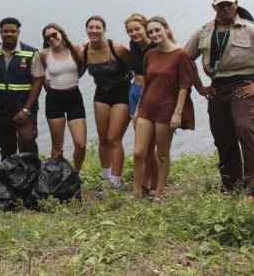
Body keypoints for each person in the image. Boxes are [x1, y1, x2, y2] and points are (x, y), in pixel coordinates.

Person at [185, 0, 254, 202]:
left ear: (236, 4)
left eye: (229, 4)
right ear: (214, 7)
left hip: (244, 85)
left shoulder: (251, 29)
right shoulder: (203, 32)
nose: (226, 8)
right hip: (217, 87)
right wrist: (199, 87)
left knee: (246, 129)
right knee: (223, 137)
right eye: (221, 5)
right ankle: (231, 186)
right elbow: (185, 59)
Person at [132, 17, 200, 203]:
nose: (154, 34)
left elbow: (184, 85)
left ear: (167, 29)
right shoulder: (150, 55)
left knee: (162, 154)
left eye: (157, 30)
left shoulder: (180, 54)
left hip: (166, 109)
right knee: (139, 152)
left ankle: (159, 193)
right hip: (146, 108)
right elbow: (146, 83)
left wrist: (177, 113)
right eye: (151, 32)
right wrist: (137, 109)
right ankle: (136, 191)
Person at [0, 17, 45, 160]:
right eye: (6, 31)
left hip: (24, 107)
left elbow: (38, 82)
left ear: (18, 32)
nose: (9, 34)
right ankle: (8, 170)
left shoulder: (31, 53)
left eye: (13, 31)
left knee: (27, 139)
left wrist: (26, 109)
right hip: (1, 107)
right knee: (5, 143)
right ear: (0, 33)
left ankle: (31, 170)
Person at [84, 15, 132, 189]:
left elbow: (137, 68)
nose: (94, 30)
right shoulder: (84, 50)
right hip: (101, 94)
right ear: (86, 29)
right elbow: (75, 66)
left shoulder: (117, 48)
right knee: (103, 138)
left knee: (114, 138)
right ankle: (105, 178)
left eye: (98, 27)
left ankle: (116, 182)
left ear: (104, 30)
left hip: (122, 93)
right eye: (91, 27)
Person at [40, 23, 87, 172]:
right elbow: (40, 72)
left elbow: (84, 64)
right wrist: (45, 82)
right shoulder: (44, 54)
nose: (51, 39)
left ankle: (75, 173)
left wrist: (75, 77)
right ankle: (56, 175)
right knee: (57, 144)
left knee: (80, 144)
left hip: (74, 98)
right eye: (47, 37)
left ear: (61, 33)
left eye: (54, 35)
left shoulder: (74, 48)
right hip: (54, 99)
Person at [125, 13, 159, 196]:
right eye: (130, 31)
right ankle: (143, 184)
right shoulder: (133, 45)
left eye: (137, 29)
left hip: (150, 94)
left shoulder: (155, 47)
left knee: (149, 149)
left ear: (145, 28)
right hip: (134, 91)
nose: (134, 33)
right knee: (142, 145)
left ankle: (155, 185)